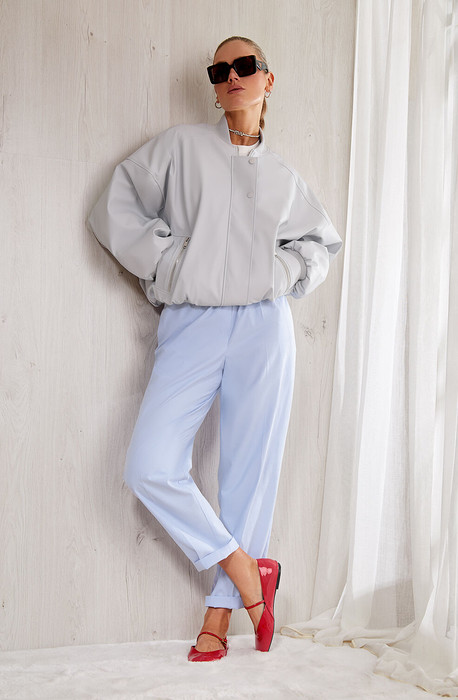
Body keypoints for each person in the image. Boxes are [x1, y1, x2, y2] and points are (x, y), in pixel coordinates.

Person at [87, 35, 343, 662]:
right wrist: (170, 265)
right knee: (149, 465)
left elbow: (321, 244)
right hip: (192, 321)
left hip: (263, 325)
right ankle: (247, 570)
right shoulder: (179, 148)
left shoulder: (283, 176)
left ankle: (220, 612)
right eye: (220, 69)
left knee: (251, 469)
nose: (232, 76)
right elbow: (114, 206)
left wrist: (280, 275)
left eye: (245, 66)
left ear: (267, 79)